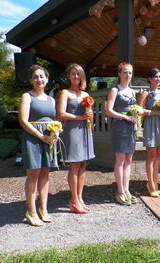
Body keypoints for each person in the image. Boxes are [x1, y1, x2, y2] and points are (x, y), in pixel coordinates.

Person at [19, 65, 56, 226]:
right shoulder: (27, 97)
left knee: (45, 173)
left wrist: (55, 133)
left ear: (47, 79)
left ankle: (44, 209)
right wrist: (41, 136)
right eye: (35, 77)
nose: (39, 79)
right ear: (31, 80)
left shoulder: (52, 99)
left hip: (48, 139)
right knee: (33, 173)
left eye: (42, 76)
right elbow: (23, 121)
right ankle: (31, 211)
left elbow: (53, 120)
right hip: (33, 138)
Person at [58, 63, 95, 214]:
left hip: (85, 131)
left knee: (83, 165)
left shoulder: (86, 95)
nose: (76, 77)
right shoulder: (65, 93)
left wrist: (90, 121)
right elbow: (61, 113)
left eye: (78, 74)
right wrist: (79, 117)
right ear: (69, 76)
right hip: (72, 131)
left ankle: (80, 197)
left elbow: (90, 114)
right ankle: (73, 199)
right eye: (73, 74)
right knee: (74, 165)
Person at [105, 62, 138, 205]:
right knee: (120, 159)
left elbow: (134, 109)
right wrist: (125, 117)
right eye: (125, 72)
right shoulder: (114, 90)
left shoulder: (132, 91)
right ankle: (120, 191)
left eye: (130, 72)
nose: (127, 75)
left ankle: (127, 189)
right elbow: (108, 111)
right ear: (119, 74)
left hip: (131, 127)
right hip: (119, 126)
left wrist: (136, 117)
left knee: (129, 159)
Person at [138, 68, 160, 198]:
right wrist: (153, 113)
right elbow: (138, 109)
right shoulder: (146, 92)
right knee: (151, 156)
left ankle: (155, 184)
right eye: (156, 76)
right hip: (151, 124)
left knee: (158, 155)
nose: (158, 79)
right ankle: (150, 185)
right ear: (149, 78)